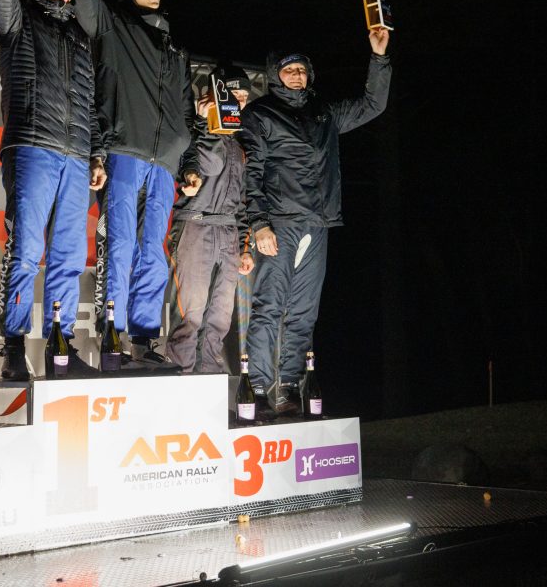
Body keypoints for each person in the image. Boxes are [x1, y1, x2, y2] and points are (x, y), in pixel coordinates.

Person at [0, 0, 107, 380]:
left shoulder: (80, 36)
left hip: (76, 157)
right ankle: (13, 348)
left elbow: (90, 103)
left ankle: (60, 349)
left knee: (69, 256)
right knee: (26, 250)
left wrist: (97, 154)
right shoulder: (17, 19)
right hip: (32, 146)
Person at [237, 27, 391, 413]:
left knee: (305, 310)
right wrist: (259, 223)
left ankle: (288, 387)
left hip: (318, 224)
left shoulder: (324, 113)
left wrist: (379, 58)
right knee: (270, 305)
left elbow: (373, 104)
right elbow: (251, 171)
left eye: (302, 70)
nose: (297, 76)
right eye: (289, 70)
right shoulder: (261, 113)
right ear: (275, 75)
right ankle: (258, 388)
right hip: (280, 222)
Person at [73, 0, 196, 370]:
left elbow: (185, 110)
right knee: (120, 243)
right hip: (124, 150)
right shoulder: (113, 27)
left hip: (164, 164)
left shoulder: (174, 48)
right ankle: (112, 336)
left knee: (154, 251)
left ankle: (143, 339)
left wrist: (187, 163)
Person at [166, 66, 255, 373]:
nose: (239, 101)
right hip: (197, 223)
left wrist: (244, 247)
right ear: (216, 94)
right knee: (191, 314)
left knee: (219, 316)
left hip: (227, 232)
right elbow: (208, 165)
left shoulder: (239, 146)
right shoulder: (191, 128)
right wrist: (206, 124)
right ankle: (181, 377)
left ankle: (209, 380)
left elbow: (241, 202)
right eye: (233, 94)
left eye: (244, 96)